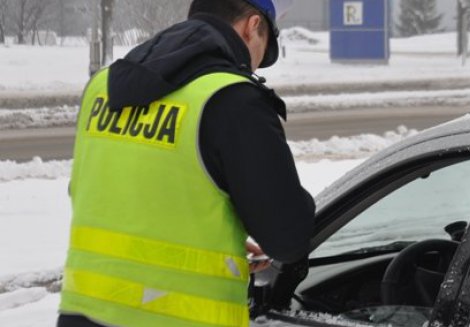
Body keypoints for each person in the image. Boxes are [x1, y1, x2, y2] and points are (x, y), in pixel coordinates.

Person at [57, 0, 314, 326]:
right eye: (263, 51)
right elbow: (288, 237)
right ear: (252, 27)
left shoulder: (102, 87)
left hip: (84, 314)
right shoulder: (233, 99)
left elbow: (106, 196)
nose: (256, 67)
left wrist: (215, 246)